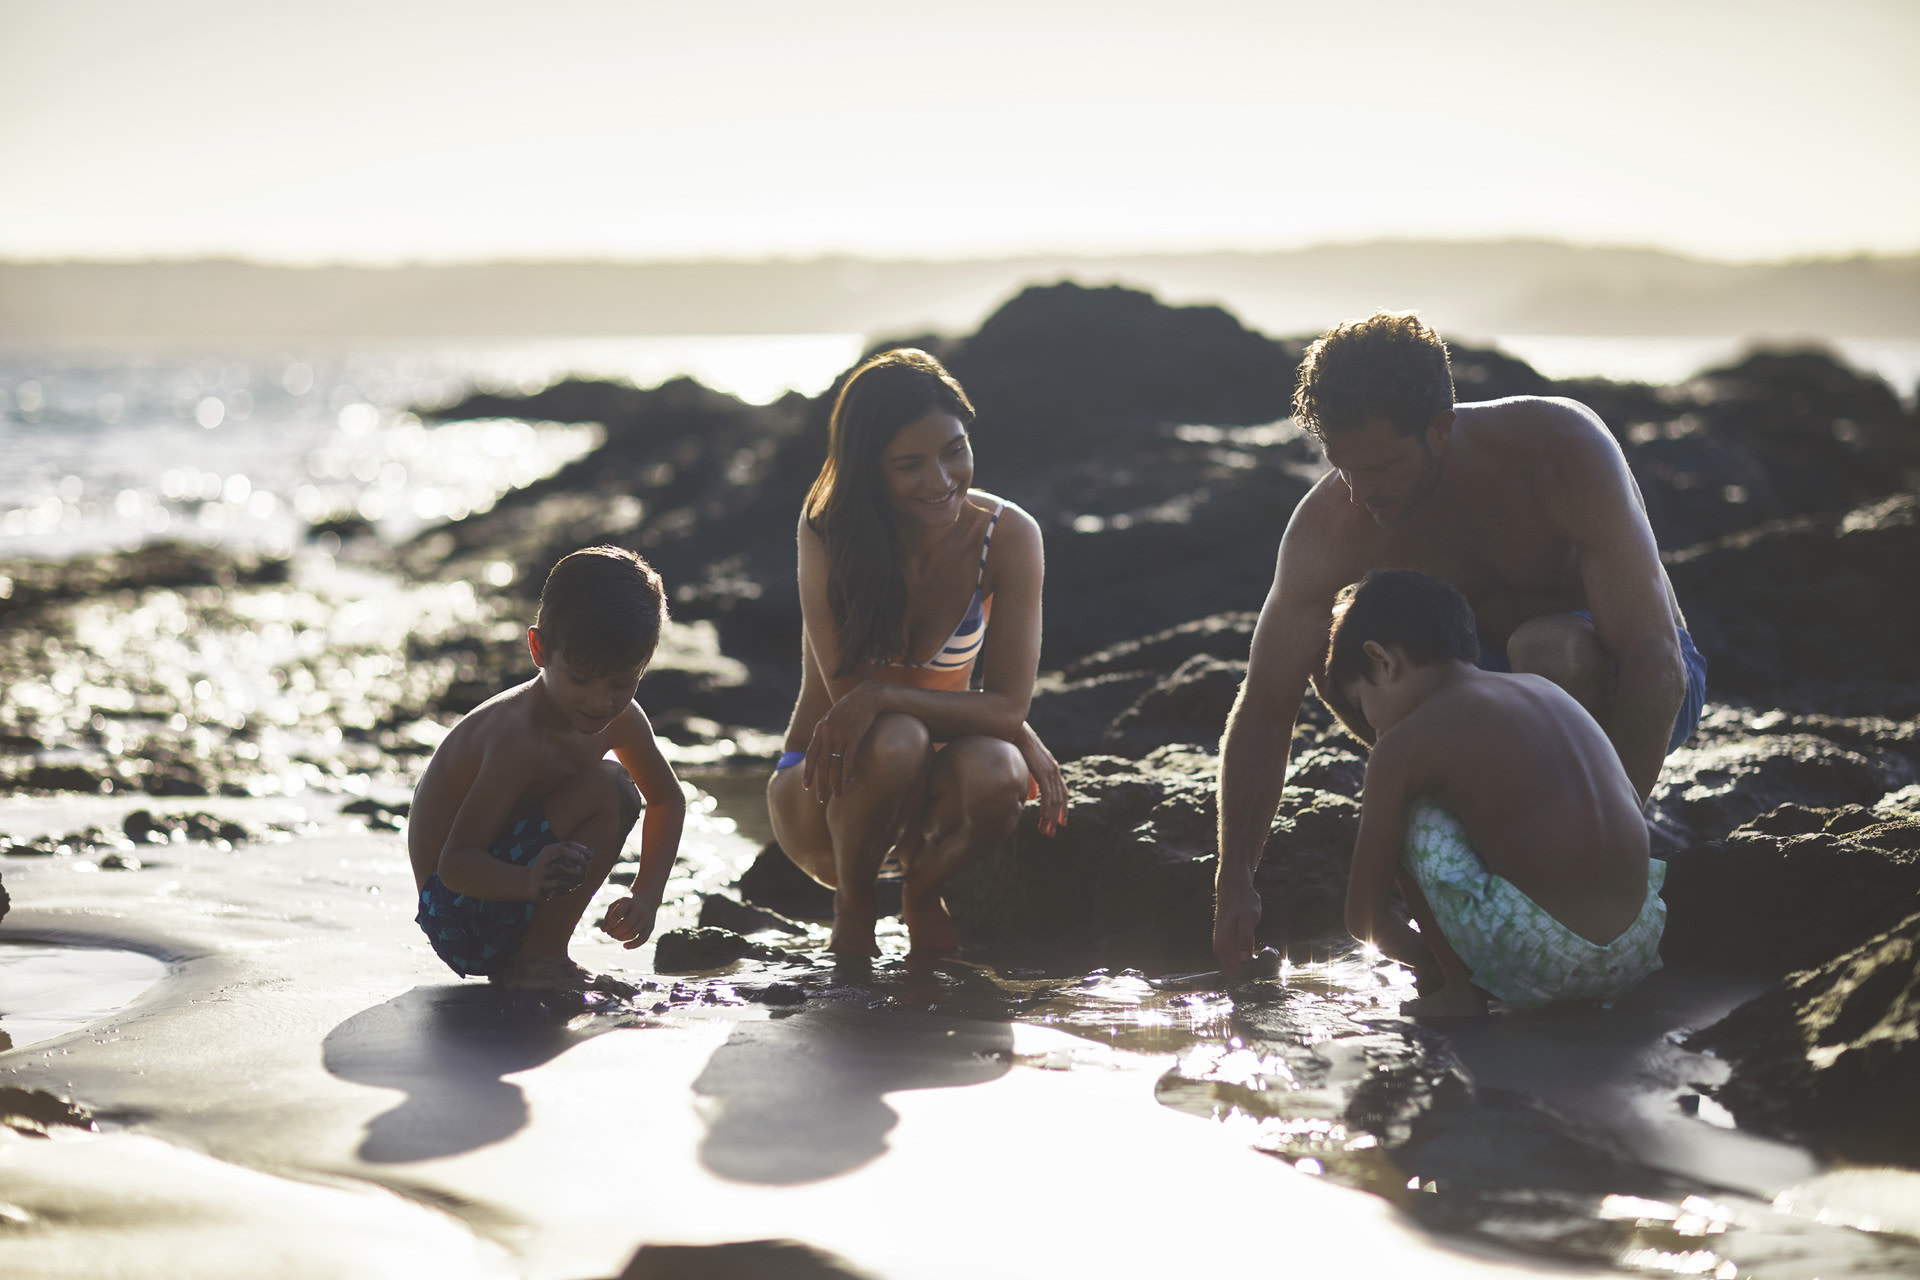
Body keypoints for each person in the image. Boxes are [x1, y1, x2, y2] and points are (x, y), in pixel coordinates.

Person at [1214, 311, 1705, 975]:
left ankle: (1561, 860)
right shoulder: (1332, 525)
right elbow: (1268, 703)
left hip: (1629, 681)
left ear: (1441, 427)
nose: (1363, 493)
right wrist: (1234, 881)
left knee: (1546, 647)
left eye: (1383, 466)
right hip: (1483, 701)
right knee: (1356, 662)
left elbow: (1656, 665)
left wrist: (1608, 849)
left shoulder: (1559, 450)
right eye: (1343, 467)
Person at [768, 348, 1068, 963]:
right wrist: (1004, 721)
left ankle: (922, 889)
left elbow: (1007, 707)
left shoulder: (1009, 536)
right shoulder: (828, 531)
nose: (941, 480)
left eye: (954, 450)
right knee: (898, 735)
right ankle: (853, 908)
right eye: (909, 465)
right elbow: (856, 701)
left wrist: (1014, 728)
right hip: (824, 790)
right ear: (869, 470)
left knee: (1001, 771)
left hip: (932, 804)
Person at [1329, 569, 1665, 1016]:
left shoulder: (1404, 744)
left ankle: (1459, 993)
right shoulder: (1544, 688)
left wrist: (1431, 963)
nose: (1373, 727)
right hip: (1640, 947)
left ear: (1383, 661)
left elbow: (1364, 919)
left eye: (1360, 704)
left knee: (1413, 808)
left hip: (1540, 957)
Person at [409, 546, 686, 990]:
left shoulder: (623, 718)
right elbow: (455, 865)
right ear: (539, 649)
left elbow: (668, 799)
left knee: (614, 790)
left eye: (621, 682)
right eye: (580, 679)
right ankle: (538, 962)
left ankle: (538, 955)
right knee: (610, 785)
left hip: (516, 892)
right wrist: (526, 880)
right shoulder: (515, 739)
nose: (601, 702)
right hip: (458, 915)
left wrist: (647, 894)